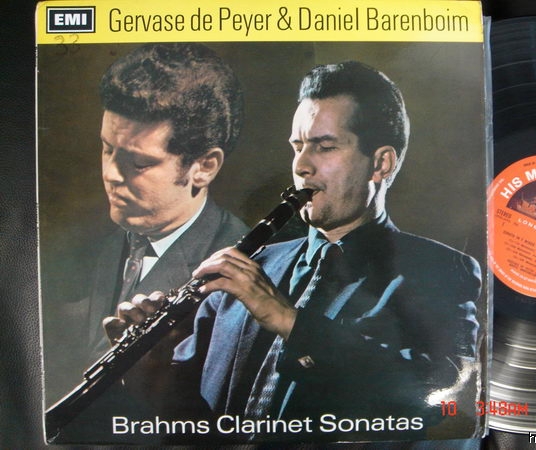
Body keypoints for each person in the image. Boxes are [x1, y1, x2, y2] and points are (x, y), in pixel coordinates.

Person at [115, 61, 481, 443]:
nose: (302, 166)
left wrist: (289, 321)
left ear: (380, 163)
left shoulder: (442, 270)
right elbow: (192, 423)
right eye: (298, 147)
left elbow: (437, 402)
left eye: (325, 147)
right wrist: (150, 366)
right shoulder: (246, 271)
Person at [44, 43, 249, 409]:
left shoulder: (245, 269)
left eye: (138, 163)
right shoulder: (88, 249)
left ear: (204, 167)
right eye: (107, 149)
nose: (110, 175)